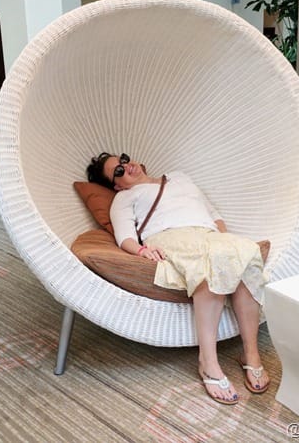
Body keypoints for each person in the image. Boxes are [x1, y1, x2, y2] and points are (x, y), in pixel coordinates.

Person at [87, 152, 270, 405]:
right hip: (170, 236)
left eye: (124, 159)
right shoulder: (123, 198)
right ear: (117, 185)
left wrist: (223, 241)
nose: (125, 166)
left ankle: (251, 353)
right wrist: (141, 250)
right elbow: (124, 236)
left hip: (209, 234)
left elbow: (212, 211)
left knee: (244, 256)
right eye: (117, 171)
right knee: (206, 266)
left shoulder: (179, 177)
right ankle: (208, 362)